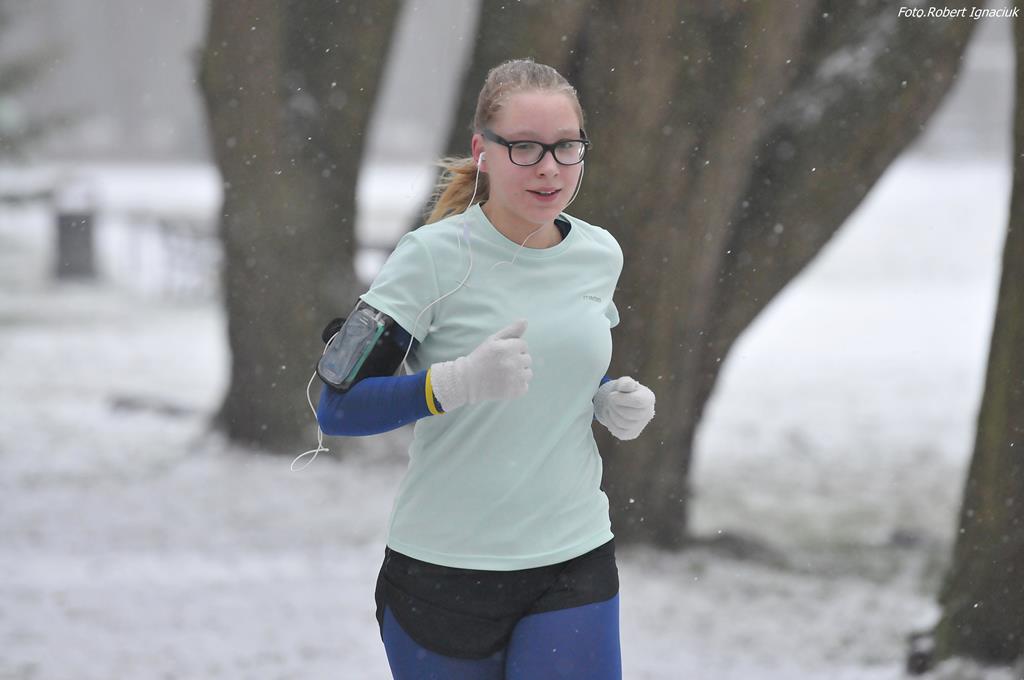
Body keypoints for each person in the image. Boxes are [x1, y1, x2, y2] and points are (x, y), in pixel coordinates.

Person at [313, 58, 656, 680]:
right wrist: (454, 384)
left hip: (571, 556)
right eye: (524, 147)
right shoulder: (431, 258)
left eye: (566, 146)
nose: (549, 167)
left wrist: (605, 396)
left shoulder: (599, 253)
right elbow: (337, 409)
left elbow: (555, 363)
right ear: (483, 152)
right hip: (443, 573)